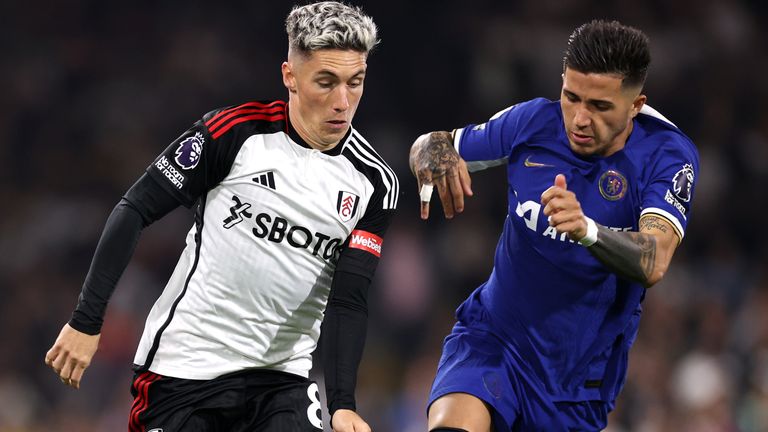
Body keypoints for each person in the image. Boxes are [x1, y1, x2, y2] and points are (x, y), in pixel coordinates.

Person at [44, 2, 398, 431]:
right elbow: (134, 209)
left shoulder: (374, 182)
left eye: (354, 82)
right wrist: (86, 321)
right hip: (184, 369)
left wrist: (342, 403)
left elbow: (348, 298)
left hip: (280, 379)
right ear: (290, 76)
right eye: (325, 82)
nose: (342, 101)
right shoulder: (234, 133)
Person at [410, 20, 699, 431]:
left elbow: (654, 259)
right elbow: (433, 142)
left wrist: (587, 230)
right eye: (571, 97)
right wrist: (430, 161)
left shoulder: (666, 156)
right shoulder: (533, 122)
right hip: (494, 339)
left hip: (575, 382)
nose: (580, 118)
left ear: (636, 105)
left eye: (599, 106)